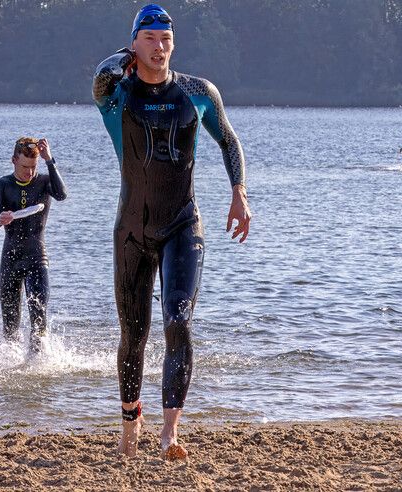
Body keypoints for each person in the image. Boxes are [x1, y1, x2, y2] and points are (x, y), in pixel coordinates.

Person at [92, 4, 251, 460]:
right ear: (134, 45)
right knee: (133, 334)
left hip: (184, 224)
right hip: (132, 232)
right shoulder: (116, 96)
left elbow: (229, 140)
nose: (160, 47)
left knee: (179, 322)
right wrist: (124, 59)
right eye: (150, 39)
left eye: (166, 38)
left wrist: (238, 192)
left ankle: (169, 433)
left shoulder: (198, 92)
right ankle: (129, 420)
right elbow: (98, 76)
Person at [0, 138, 67, 353]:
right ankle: (12, 369)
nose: (29, 173)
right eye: (24, 167)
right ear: (13, 161)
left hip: (37, 257)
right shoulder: (1, 185)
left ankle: (38, 365)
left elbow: (61, 195)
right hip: (11, 259)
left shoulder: (44, 182)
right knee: (10, 327)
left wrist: (50, 160)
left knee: (39, 323)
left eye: (33, 167)